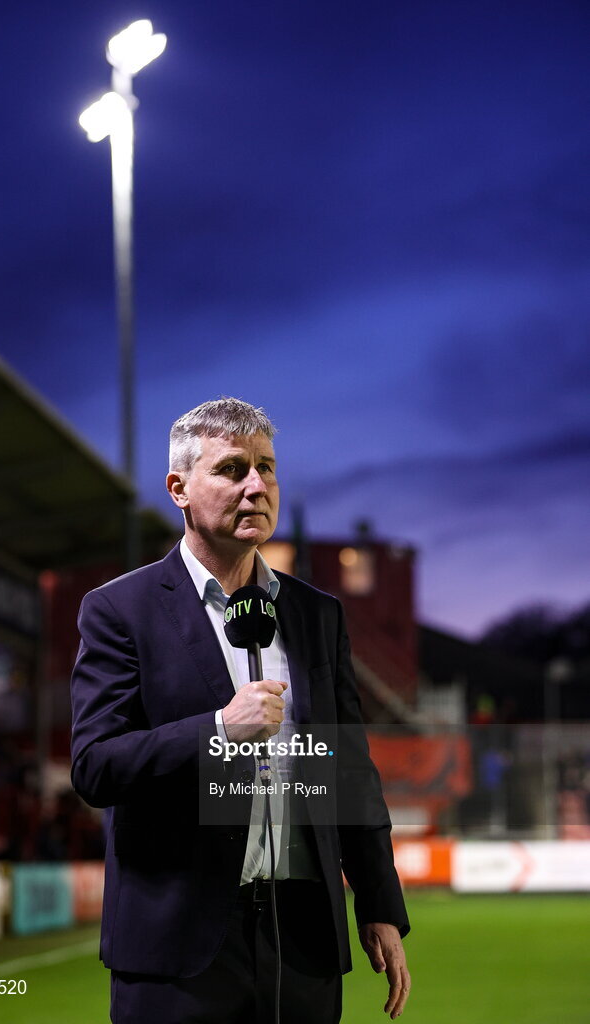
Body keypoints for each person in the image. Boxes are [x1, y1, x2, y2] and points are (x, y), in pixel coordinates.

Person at [70, 397, 411, 1024]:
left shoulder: (316, 614)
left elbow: (350, 771)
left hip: (302, 938)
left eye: (267, 467)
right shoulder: (121, 610)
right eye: (232, 469)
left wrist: (379, 903)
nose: (257, 486)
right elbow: (95, 766)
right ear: (179, 488)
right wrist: (220, 729)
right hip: (179, 946)